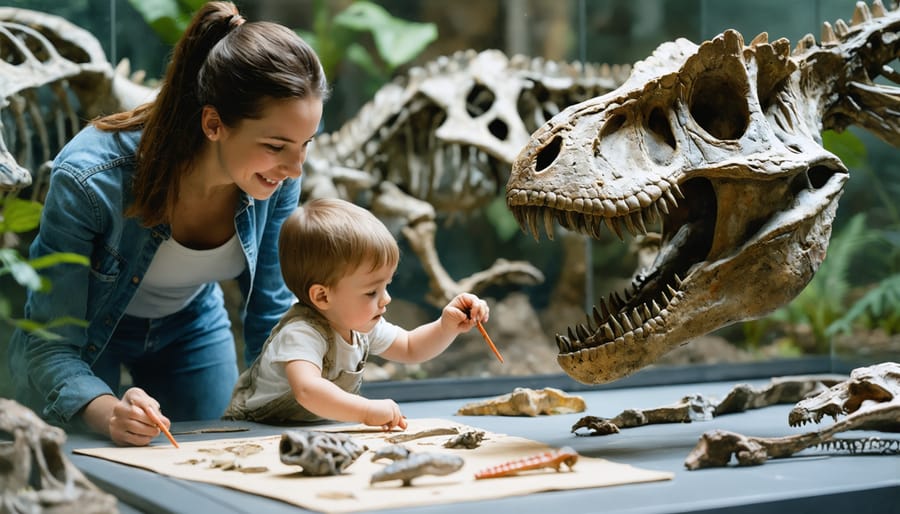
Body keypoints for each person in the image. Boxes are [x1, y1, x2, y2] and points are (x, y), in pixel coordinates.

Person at [7, 1, 328, 446]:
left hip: (190, 323)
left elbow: (270, 319)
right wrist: (108, 414)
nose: (295, 168)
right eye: (276, 145)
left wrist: (293, 403)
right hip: (84, 338)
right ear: (213, 123)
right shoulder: (89, 179)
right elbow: (50, 344)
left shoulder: (276, 178)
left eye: (306, 144)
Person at [223, 198, 490, 430]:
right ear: (322, 296)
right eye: (371, 292)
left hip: (309, 431)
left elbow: (410, 347)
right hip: (254, 431)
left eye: (386, 285)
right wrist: (365, 410)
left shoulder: (361, 325)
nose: (386, 299)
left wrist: (446, 325)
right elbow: (307, 390)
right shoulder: (301, 333)